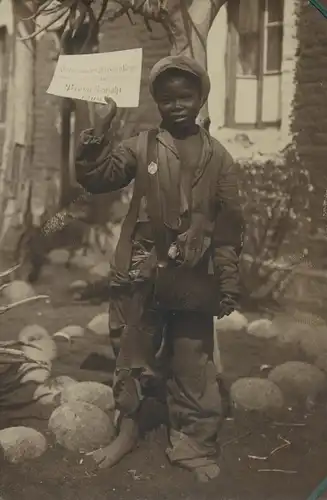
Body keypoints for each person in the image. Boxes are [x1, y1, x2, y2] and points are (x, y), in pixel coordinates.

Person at [74, 55, 244, 482]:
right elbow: (99, 177)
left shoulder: (219, 158)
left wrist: (227, 277)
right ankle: (128, 429)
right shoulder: (142, 145)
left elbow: (229, 225)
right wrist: (99, 133)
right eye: (167, 99)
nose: (177, 105)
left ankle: (193, 442)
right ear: (157, 103)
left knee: (192, 357)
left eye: (186, 96)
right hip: (141, 269)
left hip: (193, 272)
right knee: (132, 354)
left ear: (201, 98)